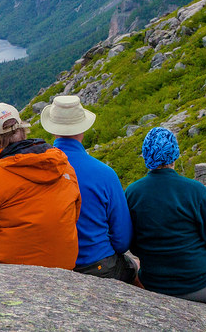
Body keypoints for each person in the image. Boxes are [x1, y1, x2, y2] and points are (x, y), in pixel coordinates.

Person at [125, 127, 206, 316]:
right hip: (202, 286)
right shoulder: (196, 191)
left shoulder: (132, 192)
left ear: (146, 156)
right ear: (174, 155)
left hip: (154, 284)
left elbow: (133, 246)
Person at [0, 102, 81, 269]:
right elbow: (74, 215)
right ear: (23, 130)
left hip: (13, 275)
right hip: (64, 267)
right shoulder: (62, 165)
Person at [41, 95, 137, 283]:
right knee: (136, 268)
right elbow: (122, 240)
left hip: (49, 265)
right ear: (83, 129)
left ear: (53, 130)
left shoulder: (34, 169)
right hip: (98, 266)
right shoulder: (105, 174)